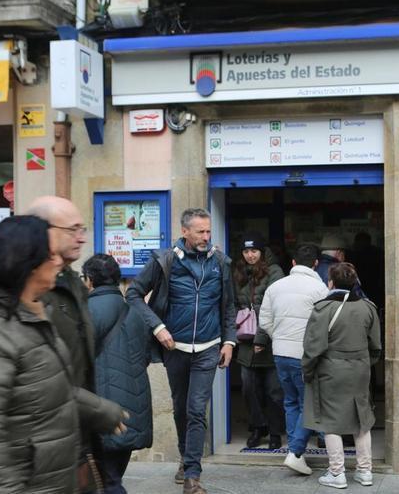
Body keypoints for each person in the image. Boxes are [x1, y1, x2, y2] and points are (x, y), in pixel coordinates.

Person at [0, 216, 125, 493]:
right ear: (27, 261)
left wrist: (99, 411)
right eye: (50, 255)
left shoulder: (27, 313)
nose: (59, 261)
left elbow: (44, 387)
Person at [126, 207, 236, 494]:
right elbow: (133, 294)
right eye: (200, 231)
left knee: (197, 409)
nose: (206, 236)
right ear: (184, 231)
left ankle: (192, 476)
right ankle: (186, 459)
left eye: (208, 231)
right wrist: (157, 327)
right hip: (175, 347)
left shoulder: (221, 262)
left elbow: (228, 305)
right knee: (181, 409)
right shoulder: (164, 260)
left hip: (209, 348)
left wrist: (229, 341)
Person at [27, 195, 104, 489]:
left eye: (83, 229)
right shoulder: (30, 289)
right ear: (45, 231)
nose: (81, 238)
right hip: (46, 439)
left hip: (78, 430)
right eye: (73, 230)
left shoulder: (74, 282)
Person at [302, 262, 382, 489]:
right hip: (360, 369)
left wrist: (307, 371)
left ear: (331, 283)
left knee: (331, 422)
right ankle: (365, 471)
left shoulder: (322, 309)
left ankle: (337, 473)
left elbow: (312, 348)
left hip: (330, 371)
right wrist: (363, 363)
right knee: (362, 420)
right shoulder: (368, 307)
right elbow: (376, 346)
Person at [256, 243, 329, 475]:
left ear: (294, 263)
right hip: (305, 355)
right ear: (316, 263)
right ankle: (296, 452)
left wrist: (278, 337)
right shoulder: (320, 290)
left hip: (280, 352)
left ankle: (294, 450)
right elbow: (325, 327)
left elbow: (264, 321)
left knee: (291, 401)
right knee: (310, 405)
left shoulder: (275, 287)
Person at [83, 254, 154, 494]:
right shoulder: (136, 312)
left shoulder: (88, 310)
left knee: (107, 483)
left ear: (90, 280)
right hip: (131, 410)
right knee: (112, 478)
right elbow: (145, 357)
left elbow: (79, 359)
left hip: (101, 410)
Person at [232, 233, 285, 449]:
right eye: (246, 251)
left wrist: (262, 336)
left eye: (254, 251)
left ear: (262, 252)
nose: (250, 255)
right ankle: (258, 426)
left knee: (274, 390)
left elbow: (278, 307)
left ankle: (274, 431)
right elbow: (233, 303)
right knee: (248, 388)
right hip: (246, 341)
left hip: (271, 340)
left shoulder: (275, 272)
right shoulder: (238, 272)